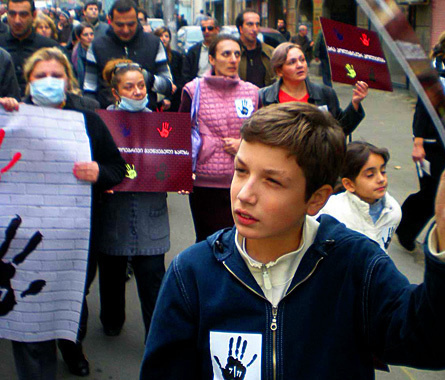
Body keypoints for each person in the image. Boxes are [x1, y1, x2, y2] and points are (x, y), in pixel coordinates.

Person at [140, 101, 445, 379]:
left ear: (317, 198)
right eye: (241, 170)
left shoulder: (356, 266)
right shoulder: (193, 274)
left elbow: (440, 345)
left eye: (272, 181)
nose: (244, 194)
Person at [0, 46, 125, 378]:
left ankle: (72, 347)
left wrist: (98, 172)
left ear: (69, 82)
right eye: (40, 76)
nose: (49, 82)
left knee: (70, 298)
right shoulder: (13, 118)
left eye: (56, 76)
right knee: (27, 309)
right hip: (22, 242)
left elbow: (119, 169)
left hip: (74, 236)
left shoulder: (88, 121)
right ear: (26, 82)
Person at [95, 58, 170, 339]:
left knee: (152, 276)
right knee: (112, 275)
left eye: (141, 86)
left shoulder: (163, 124)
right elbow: (95, 163)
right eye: (129, 87)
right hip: (114, 210)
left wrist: (180, 179)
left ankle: (156, 332)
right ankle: (111, 320)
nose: (138, 92)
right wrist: (102, 179)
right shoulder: (102, 124)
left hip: (151, 211)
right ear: (116, 93)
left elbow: (174, 160)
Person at [396, 28, 445, 252]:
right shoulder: (436, 74)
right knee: (431, 194)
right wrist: (418, 142)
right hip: (431, 145)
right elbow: (423, 109)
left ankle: (431, 236)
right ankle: (405, 227)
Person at [179, 34, 259, 242]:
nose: (233, 59)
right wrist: (180, 174)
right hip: (205, 184)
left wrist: (244, 145)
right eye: (226, 54)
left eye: (237, 54)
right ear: (212, 59)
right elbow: (180, 134)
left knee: (241, 240)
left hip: (243, 180)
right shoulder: (193, 90)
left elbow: (264, 135)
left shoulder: (253, 92)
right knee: (209, 241)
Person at [259, 42, 367, 136]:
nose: (300, 65)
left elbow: (340, 130)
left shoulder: (325, 93)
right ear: (279, 71)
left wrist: (355, 103)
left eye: (302, 60)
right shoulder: (264, 97)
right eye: (292, 62)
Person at [83, 0, 174, 110]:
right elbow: (89, 89)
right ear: (110, 20)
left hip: (147, 119)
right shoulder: (97, 46)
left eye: (131, 24)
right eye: (120, 25)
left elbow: (169, 86)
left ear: (137, 20)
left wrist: (147, 78)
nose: (126, 30)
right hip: (108, 119)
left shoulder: (154, 43)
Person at [316, 141, 401, 252]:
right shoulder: (329, 212)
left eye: (383, 171)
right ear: (349, 184)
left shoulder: (393, 211)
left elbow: (383, 247)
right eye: (370, 175)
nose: (381, 179)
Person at [0, 0, 59, 94]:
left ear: (34, 15)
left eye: (23, 15)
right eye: (12, 14)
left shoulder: (49, 47)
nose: (17, 20)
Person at [236, 9, 275, 88]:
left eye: (257, 25)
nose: (255, 29)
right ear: (241, 29)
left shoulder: (270, 52)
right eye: (250, 24)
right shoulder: (233, 53)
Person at [154, 26, 184, 111]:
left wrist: (170, 97)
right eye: (160, 36)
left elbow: (180, 78)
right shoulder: (153, 55)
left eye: (166, 36)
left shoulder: (176, 56)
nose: (163, 39)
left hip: (174, 99)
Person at [182, 17, 219, 84]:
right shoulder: (193, 51)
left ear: (217, 29)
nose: (206, 31)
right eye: (203, 29)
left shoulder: (224, 49)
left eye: (210, 28)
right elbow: (186, 74)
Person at [72, 22, 94, 90]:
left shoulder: (98, 50)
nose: (89, 37)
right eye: (85, 35)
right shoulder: (75, 54)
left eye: (91, 34)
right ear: (78, 37)